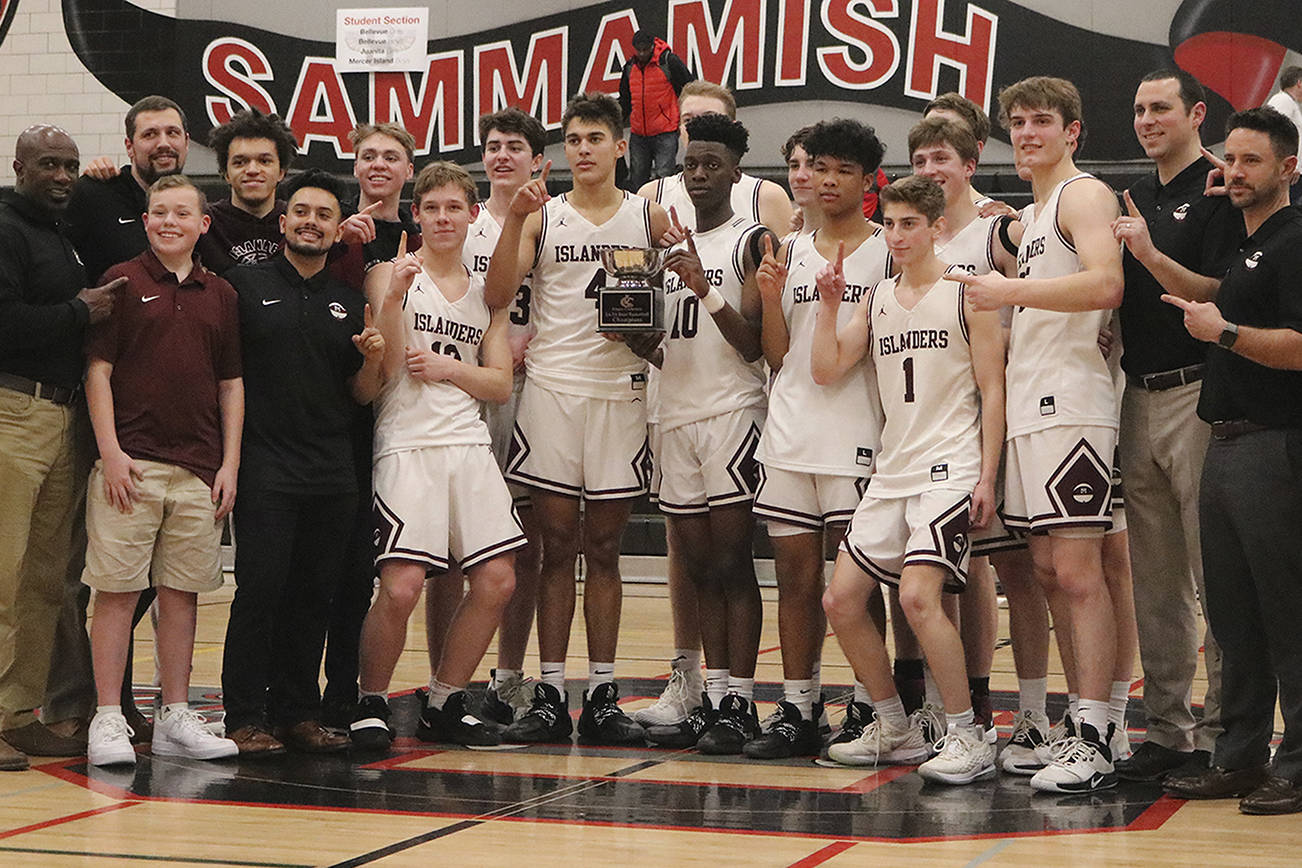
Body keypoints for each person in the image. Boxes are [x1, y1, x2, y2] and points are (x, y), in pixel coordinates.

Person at [948, 76, 1126, 793]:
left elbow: (1106, 283)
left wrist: (1009, 291)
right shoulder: (1034, 212)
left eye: (1042, 121)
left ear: (1073, 130)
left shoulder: (1083, 195)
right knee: (1051, 574)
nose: (1027, 133)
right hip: (1032, 404)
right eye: (1017, 123)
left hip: (1073, 404)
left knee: (1079, 576)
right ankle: (1080, 725)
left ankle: (1095, 732)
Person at [485, 92, 671, 744]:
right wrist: (512, 221)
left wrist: (651, 323)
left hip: (621, 391)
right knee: (557, 546)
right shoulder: (543, 214)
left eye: (595, 137)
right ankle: (548, 692)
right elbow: (497, 295)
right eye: (573, 138)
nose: (583, 148)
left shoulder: (651, 215)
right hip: (554, 392)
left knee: (607, 548)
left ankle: (602, 694)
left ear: (623, 146)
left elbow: (669, 309)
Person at [816, 174, 1005, 784]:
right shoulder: (876, 297)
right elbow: (825, 368)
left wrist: (988, 477)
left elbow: (992, 388)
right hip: (892, 468)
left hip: (950, 466)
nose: (896, 235)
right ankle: (895, 725)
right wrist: (826, 307)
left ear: (937, 228)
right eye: (889, 223)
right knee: (841, 601)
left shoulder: (965, 293)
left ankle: (968, 733)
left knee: (919, 598)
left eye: (908, 224)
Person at [351, 161, 524, 751]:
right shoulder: (387, 273)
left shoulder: (487, 291)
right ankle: (370, 701)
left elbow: (500, 384)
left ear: (473, 215)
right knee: (400, 587)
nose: (443, 218)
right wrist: (396, 299)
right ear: (416, 215)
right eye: (432, 208)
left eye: (454, 207)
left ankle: (446, 698)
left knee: (498, 579)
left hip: (468, 444)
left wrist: (453, 369)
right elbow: (391, 366)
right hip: (406, 442)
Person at [1161, 106, 1302, 816]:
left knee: (1287, 613)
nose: (1236, 172)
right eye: (1231, 159)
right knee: (1234, 615)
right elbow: (1211, 294)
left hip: (1276, 446)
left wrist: (1228, 334)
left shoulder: (1295, 240)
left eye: (1252, 161)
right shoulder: (1245, 243)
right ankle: (1239, 756)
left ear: (1289, 168)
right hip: (1225, 441)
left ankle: (1298, 764)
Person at [219, 170, 385, 756]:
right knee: (260, 591)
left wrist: (372, 359)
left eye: (324, 215)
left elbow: (364, 393)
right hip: (265, 466)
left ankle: (297, 711)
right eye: (302, 212)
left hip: (332, 470)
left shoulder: (351, 300)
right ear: (284, 221)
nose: (312, 222)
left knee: (315, 594)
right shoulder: (242, 286)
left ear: (338, 228)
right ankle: (242, 714)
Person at [1109, 69, 1242, 782]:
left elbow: (1224, 294)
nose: (1146, 119)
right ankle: (1168, 730)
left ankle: (1228, 734)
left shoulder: (1220, 188)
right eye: (1138, 108)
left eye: (1160, 107)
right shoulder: (1134, 195)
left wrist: (1152, 258)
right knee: (1155, 581)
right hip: (1136, 394)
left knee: (1211, 574)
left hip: (1199, 397)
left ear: (1196, 112)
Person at [83, 174, 242, 766]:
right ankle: (107, 717)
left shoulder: (220, 293)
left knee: (182, 594)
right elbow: (97, 372)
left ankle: (175, 713)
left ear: (204, 224)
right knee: (118, 591)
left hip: (199, 470)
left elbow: (231, 383)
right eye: (158, 212)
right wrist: (111, 452)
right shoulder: (119, 281)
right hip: (132, 466)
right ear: (146, 220)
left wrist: (228, 463)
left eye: (182, 212)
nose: (169, 221)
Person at [747, 118, 890, 759]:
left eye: (842, 171)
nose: (827, 180)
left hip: (860, 431)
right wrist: (771, 301)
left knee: (857, 584)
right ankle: (798, 707)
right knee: (794, 576)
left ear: (867, 182)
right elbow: (778, 355)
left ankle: (868, 706)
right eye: (819, 168)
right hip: (790, 429)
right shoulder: (791, 247)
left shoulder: (888, 250)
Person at [629, 114, 770, 754]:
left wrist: (702, 287)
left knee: (732, 562)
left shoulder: (751, 241)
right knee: (699, 568)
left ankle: (741, 701)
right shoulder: (664, 249)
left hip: (732, 415)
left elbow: (753, 348)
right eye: (691, 164)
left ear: (737, 170)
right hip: (674, 415)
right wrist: (635, 338)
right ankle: (713, 699)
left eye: (713, 163)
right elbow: (673, 349)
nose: (700, 174)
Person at [0, 125, 119, 770]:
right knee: (2, 573)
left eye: (70, 165)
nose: (62, 175)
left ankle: (19, 713)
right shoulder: (5, 228)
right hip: (12, 410)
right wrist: (79, 311)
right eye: (49, 164)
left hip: (63, 416)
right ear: (19, 166)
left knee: (45, 578)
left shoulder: (61, 236)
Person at [908, 115, 1024, 742]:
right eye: (920, 162)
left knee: (998, 569)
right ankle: (937, 702)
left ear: (970, 162)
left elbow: (1041, 291)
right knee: (933, 571)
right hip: (925, 426)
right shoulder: (906, 237)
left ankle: (994, 702)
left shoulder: (998, 226)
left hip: (991, 418)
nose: (930, 172)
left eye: (941, 160)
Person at [319, 122, 419, 731]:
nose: (378, 164)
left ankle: (353, 695)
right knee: (329, 565)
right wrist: (340, 247)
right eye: (368, 156)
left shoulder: (429, 229)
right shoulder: (329, 229)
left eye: (391, 156)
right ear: (354, 168)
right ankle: (306, 696)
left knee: (372, 571)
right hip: (343, 411)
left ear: (409, 168)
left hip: (407, 416)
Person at [458, 107, 548, 726]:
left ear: (537, 160)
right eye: (492, 146)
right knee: (453, 542)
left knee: (527, 541)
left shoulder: (553, 216)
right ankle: (448, 674)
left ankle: (511, 674)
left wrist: (538, 338)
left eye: (514, 146)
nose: (502, 156)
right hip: (465, 387)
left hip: (533, 389)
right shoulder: (460, 219)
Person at [66, 96, 190, 285]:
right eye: (150, 134)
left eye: (172, 132)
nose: (163, 143)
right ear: (129, 147)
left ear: (186, 142)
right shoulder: (92, 195)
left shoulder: (194, 205)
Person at [197, 108, 298, 274]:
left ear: (281, 171)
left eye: (264, 161)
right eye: (240, 162)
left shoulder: (299, 222)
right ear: (225, 173)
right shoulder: (203, 225)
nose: (252, 170)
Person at [619, 29, 693, 190]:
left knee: (664, 179)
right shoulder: (630, 68)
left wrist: (683, 117)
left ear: (653, 46)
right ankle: (640, 213)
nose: (642, 53)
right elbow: (625, 99)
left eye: (645, 49)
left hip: (665, 131)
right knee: (637, 178)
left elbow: (689, 87)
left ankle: (664, 212)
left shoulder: (668, 61)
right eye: (638, 50)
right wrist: (615, 123)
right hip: (639, 133)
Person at [1263, 65, 1302, 203]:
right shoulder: (1283, 100)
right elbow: (1274, 131)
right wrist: (1291, 166)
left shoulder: (1290, 103)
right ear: (1299, 83)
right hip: (1290, 172)